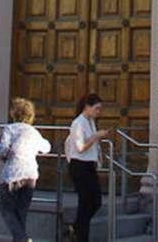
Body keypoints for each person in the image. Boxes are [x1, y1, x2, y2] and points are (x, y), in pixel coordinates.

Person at [0, 97, 51, 242]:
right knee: (21, 212)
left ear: (13, 113)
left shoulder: (10, 129)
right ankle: (20, 238)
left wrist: (6, 151)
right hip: (30, 174)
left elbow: (2, 149)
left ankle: (22, 238)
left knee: (6, 209)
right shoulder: (33, 131)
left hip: (12, 174)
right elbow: (46, 147)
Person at [66, 93, 110, 242]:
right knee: (85, 202)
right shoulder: (78, 123)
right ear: (87, 107)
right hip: (79, 165)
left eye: (100, 109)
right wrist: (96, 136)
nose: (99, 112)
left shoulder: (90, 122)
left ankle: (76, 228)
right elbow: (80, 147)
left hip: (89, 165)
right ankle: (81, 236)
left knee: (96, 201)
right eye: (96, 108)